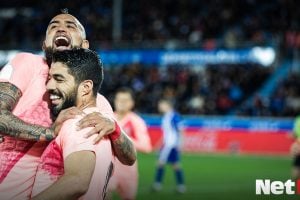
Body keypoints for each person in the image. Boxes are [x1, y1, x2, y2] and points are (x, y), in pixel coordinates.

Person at [0, 10, 136, 200]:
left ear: (85, 45)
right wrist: (49, 132)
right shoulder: (28, 63)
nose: (61, 28)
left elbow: (129, 158)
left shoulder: (97, 102)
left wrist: (116, 131)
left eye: (70, 26)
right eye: (53, 26)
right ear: (44, 44)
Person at [31, 48, 114, 200]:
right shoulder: (102, 125)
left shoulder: (78, 123)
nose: (49, 86)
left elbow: (77, 182)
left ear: (86, 87)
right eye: (50, 78)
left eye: (59, 79)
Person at [109, 87, 152, 200]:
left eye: (125, 100)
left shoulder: (136, 121)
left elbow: (146, 147)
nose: (121, 103)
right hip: (108, 169)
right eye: (119, 100)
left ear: (131, 103)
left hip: (128, 171)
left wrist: (121, 138)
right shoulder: (107, 118)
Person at [152, 98, 186, 193]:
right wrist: (160, 144)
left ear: (167, 105)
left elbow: (181, 130)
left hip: (171, 145)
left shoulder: (174, 116)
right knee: (171, 164)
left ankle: (159, 185)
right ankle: (180, 186)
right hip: (167, 144)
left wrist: (180, 144)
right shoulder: (166, 116)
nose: (160, 106)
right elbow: (166, 133)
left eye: (161, 104)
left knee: (169, 164)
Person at [290, 115, 300, 179]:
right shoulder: (298, 119)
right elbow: (294, 133)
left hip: (298, 144)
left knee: (296, 166)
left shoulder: (298, 119)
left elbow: (294, 134)